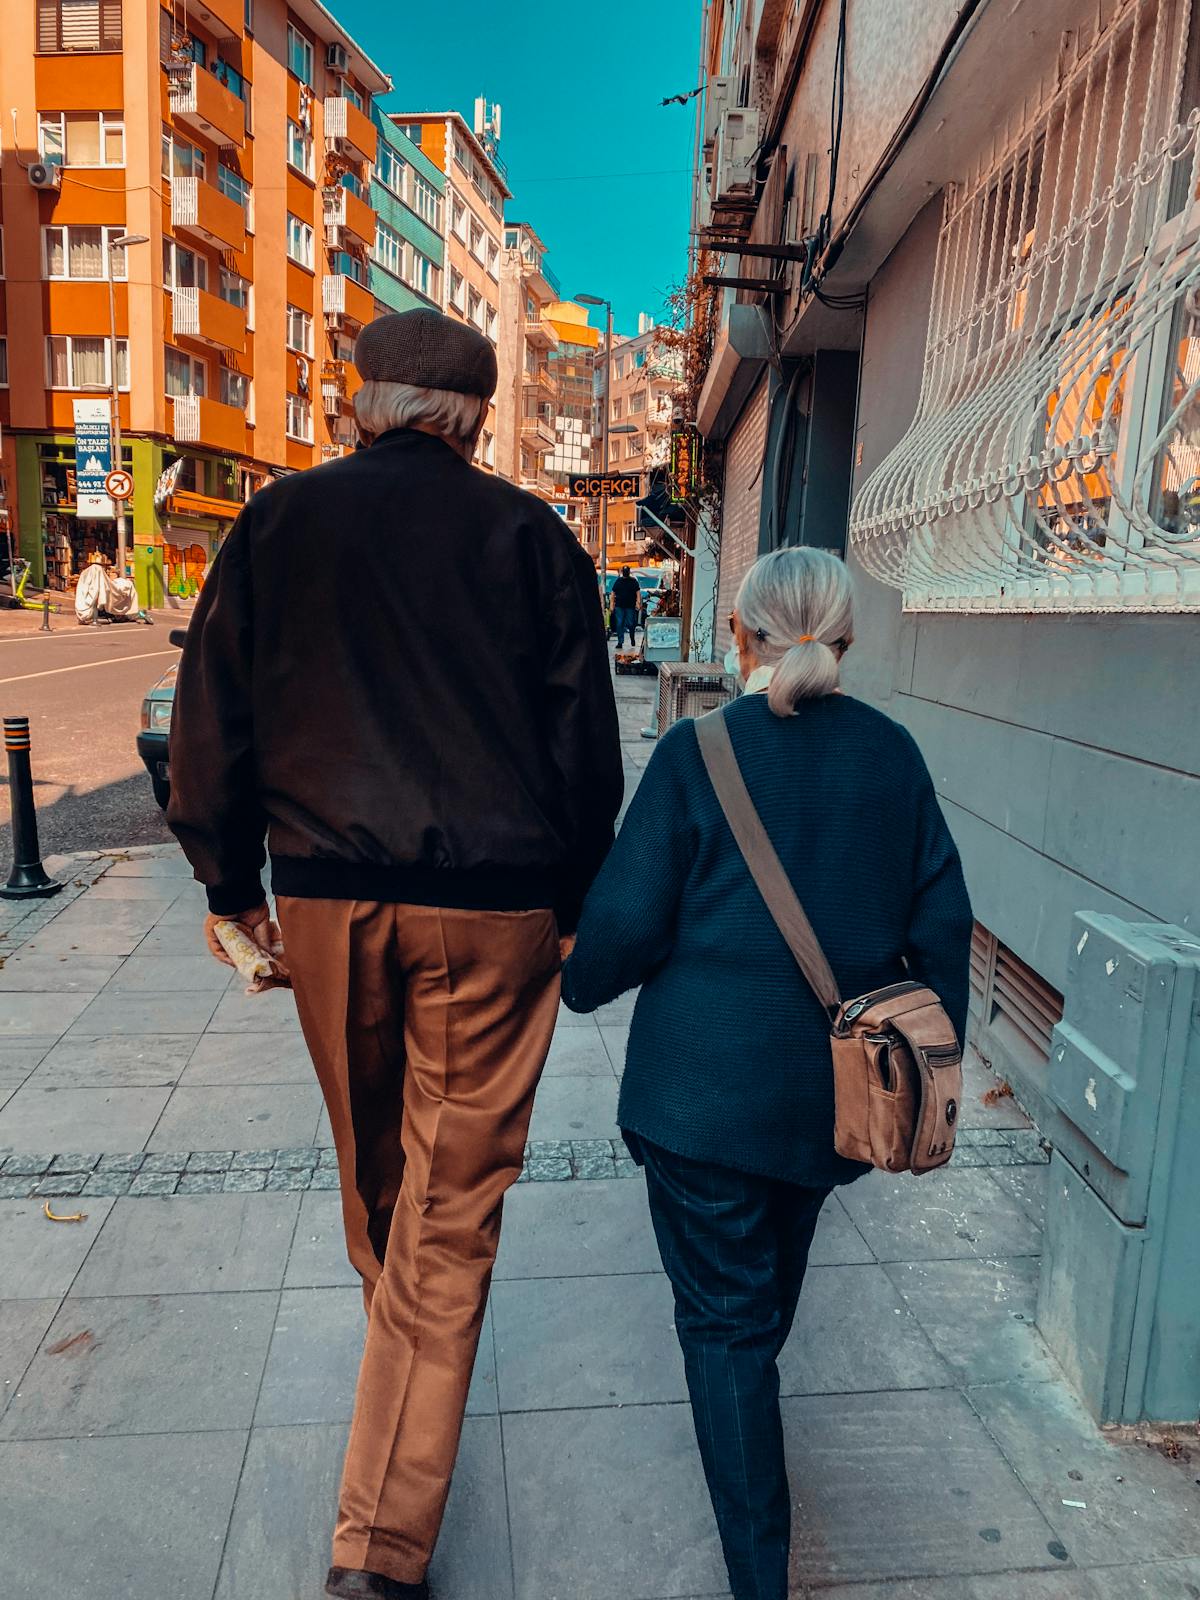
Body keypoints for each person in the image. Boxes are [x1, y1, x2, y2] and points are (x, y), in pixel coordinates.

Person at [168, 307, 623, 1600]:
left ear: (362, 403)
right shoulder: (535, 541)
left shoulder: (276, 526)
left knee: (390, 1190)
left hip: (324, 904)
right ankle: (412, 1392)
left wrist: (226, 879)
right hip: (497, 916)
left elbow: (212, 716)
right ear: (473, 420)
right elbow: (586, 745)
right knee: (441, 1211)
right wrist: (581, 894)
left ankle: (378, 1545)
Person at [561, 546, 972, 1600]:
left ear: (739, 636)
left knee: (729, 1328)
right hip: (837, 1107)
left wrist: (579, 977)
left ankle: (759, 1573)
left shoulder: (700, 754)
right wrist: (925, 1073)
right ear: (846, 638)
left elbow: (618, 930)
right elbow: (942, 927)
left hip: (701, 1099)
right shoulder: (894, 754)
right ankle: (748, 1412)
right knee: (760, 1297)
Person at [611, 564, 641, 648]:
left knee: (631, 624)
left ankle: (632, 637)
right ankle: (620, 642)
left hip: (630, 606)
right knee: (619, 624)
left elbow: (638, 592)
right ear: (622, 572)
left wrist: (638, 603)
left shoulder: (633, 581)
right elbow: (613, 593)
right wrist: (612, 605)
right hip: (619, 606)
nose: (625, 573)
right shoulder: (618, 581)